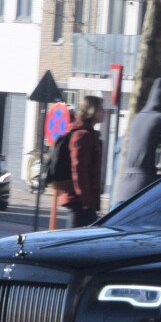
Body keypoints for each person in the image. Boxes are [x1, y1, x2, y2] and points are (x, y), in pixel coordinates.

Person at [59, 95, 104, 227]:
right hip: (80, 202)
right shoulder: (82, 135)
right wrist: (85, 200)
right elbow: (78, 169)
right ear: (91, 110)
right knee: (74, 241)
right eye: (101, 109)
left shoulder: (89, 134)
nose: (104, 112)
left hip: (85, 201)